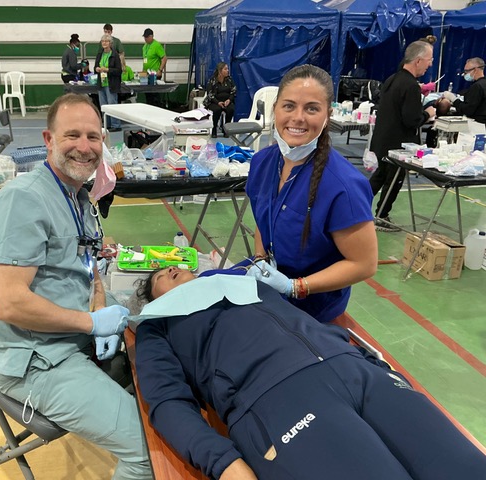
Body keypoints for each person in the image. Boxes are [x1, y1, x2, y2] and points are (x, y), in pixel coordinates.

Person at [133, 269, 486, 480]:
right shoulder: (159, 325)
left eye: (174, 266)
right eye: (159, 277)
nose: (170, 270)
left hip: (358, 373)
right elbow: (167, 401)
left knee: (468, 469)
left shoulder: (247, 285)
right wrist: (224, 462)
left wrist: (373, 365)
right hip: (277, 402)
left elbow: (310, 326)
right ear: (153, 299)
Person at [0, 93, 152, 480]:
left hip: (74, 341)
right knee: (146, 452)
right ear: (48, 140)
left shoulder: (77, 198)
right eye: (72, 135)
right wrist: (91, 323)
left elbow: (90, 268)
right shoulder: (22, 200)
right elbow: (8, 303)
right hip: (37, 362)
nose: (84, 147)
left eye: (93, 137)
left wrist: (99, 307)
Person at [245, 64, 377, 324]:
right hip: (269, 296)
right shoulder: (262, 163)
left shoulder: (343, 186)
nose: (298, 117)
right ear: (275, 108)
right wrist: (260, 259)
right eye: (289, 106)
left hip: (314, 314)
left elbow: (364, 263)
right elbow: (263, 219)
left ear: (328, 115)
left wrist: (295, 287)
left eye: (312, 109)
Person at [369, 41, 436, 232]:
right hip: (397, 144)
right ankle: (382, 215)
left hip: (382, 139)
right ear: (418, 60)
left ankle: (355, 206)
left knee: (380, 176)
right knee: (393, 180)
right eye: (429, 60)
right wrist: (427, 114)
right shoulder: (410, 85)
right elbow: (411, 120)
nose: (430, 64)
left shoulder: (394, 79)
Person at [443, 57, 486, 124]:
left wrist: (454, 100)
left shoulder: (477, 86)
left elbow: (467, 110)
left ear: (475, 70)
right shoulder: (482, 84)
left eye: (467, 71)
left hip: (477, 124)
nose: (464, 74)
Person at [95, 34, 123, 131]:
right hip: (101, 83)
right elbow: (95, 67)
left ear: (110, 43)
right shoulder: (100, 54)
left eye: (106, 41)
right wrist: (97, 69)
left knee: (112, 104)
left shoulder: (114, 55)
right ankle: (107, 124)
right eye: (103, 41)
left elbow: (119, 70)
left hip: (111, 84)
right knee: (103, 105)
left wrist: (108, 70)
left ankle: (116, 125)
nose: (104, 43)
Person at [203, 62, 236, 138]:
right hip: (214, 102)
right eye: (225, 69)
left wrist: (229, 100)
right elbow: (210, 94)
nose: (227, 70)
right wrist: (218, 102)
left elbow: (233, 91)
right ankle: (214, 128)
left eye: (227, 69)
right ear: (220, 71)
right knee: (217, 110)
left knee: (231, 109)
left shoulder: (230, 80)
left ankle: (226, 129)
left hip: (227, 101)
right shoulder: (212, 80)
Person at [141, 28, 167, 107]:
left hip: (154, 74)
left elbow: (164, 58)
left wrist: (160, 70)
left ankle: (156, 107)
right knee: (147, 93)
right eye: (144, 37)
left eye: (147, 37)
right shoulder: (145, 46)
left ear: (151, 36)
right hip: (145, 73)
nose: (145, 39)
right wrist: (142, 72)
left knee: (154, 93)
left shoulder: (157, 45)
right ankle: (148, 107)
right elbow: (145, 60)